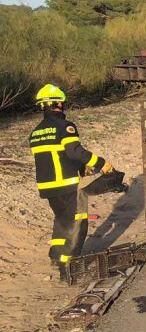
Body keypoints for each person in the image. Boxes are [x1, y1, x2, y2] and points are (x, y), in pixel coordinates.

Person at [28, 84, 111, 280]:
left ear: (42, 106)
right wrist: (101, 164)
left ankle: (56, 256)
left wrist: (82, 168)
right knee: (77, 222)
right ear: (59, 103)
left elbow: (56, 156)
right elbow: (74, 152)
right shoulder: (66, 126)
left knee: (61, 219)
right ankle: (69, 266)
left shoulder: (35, 133)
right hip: (66, 183)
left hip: (47, 187)